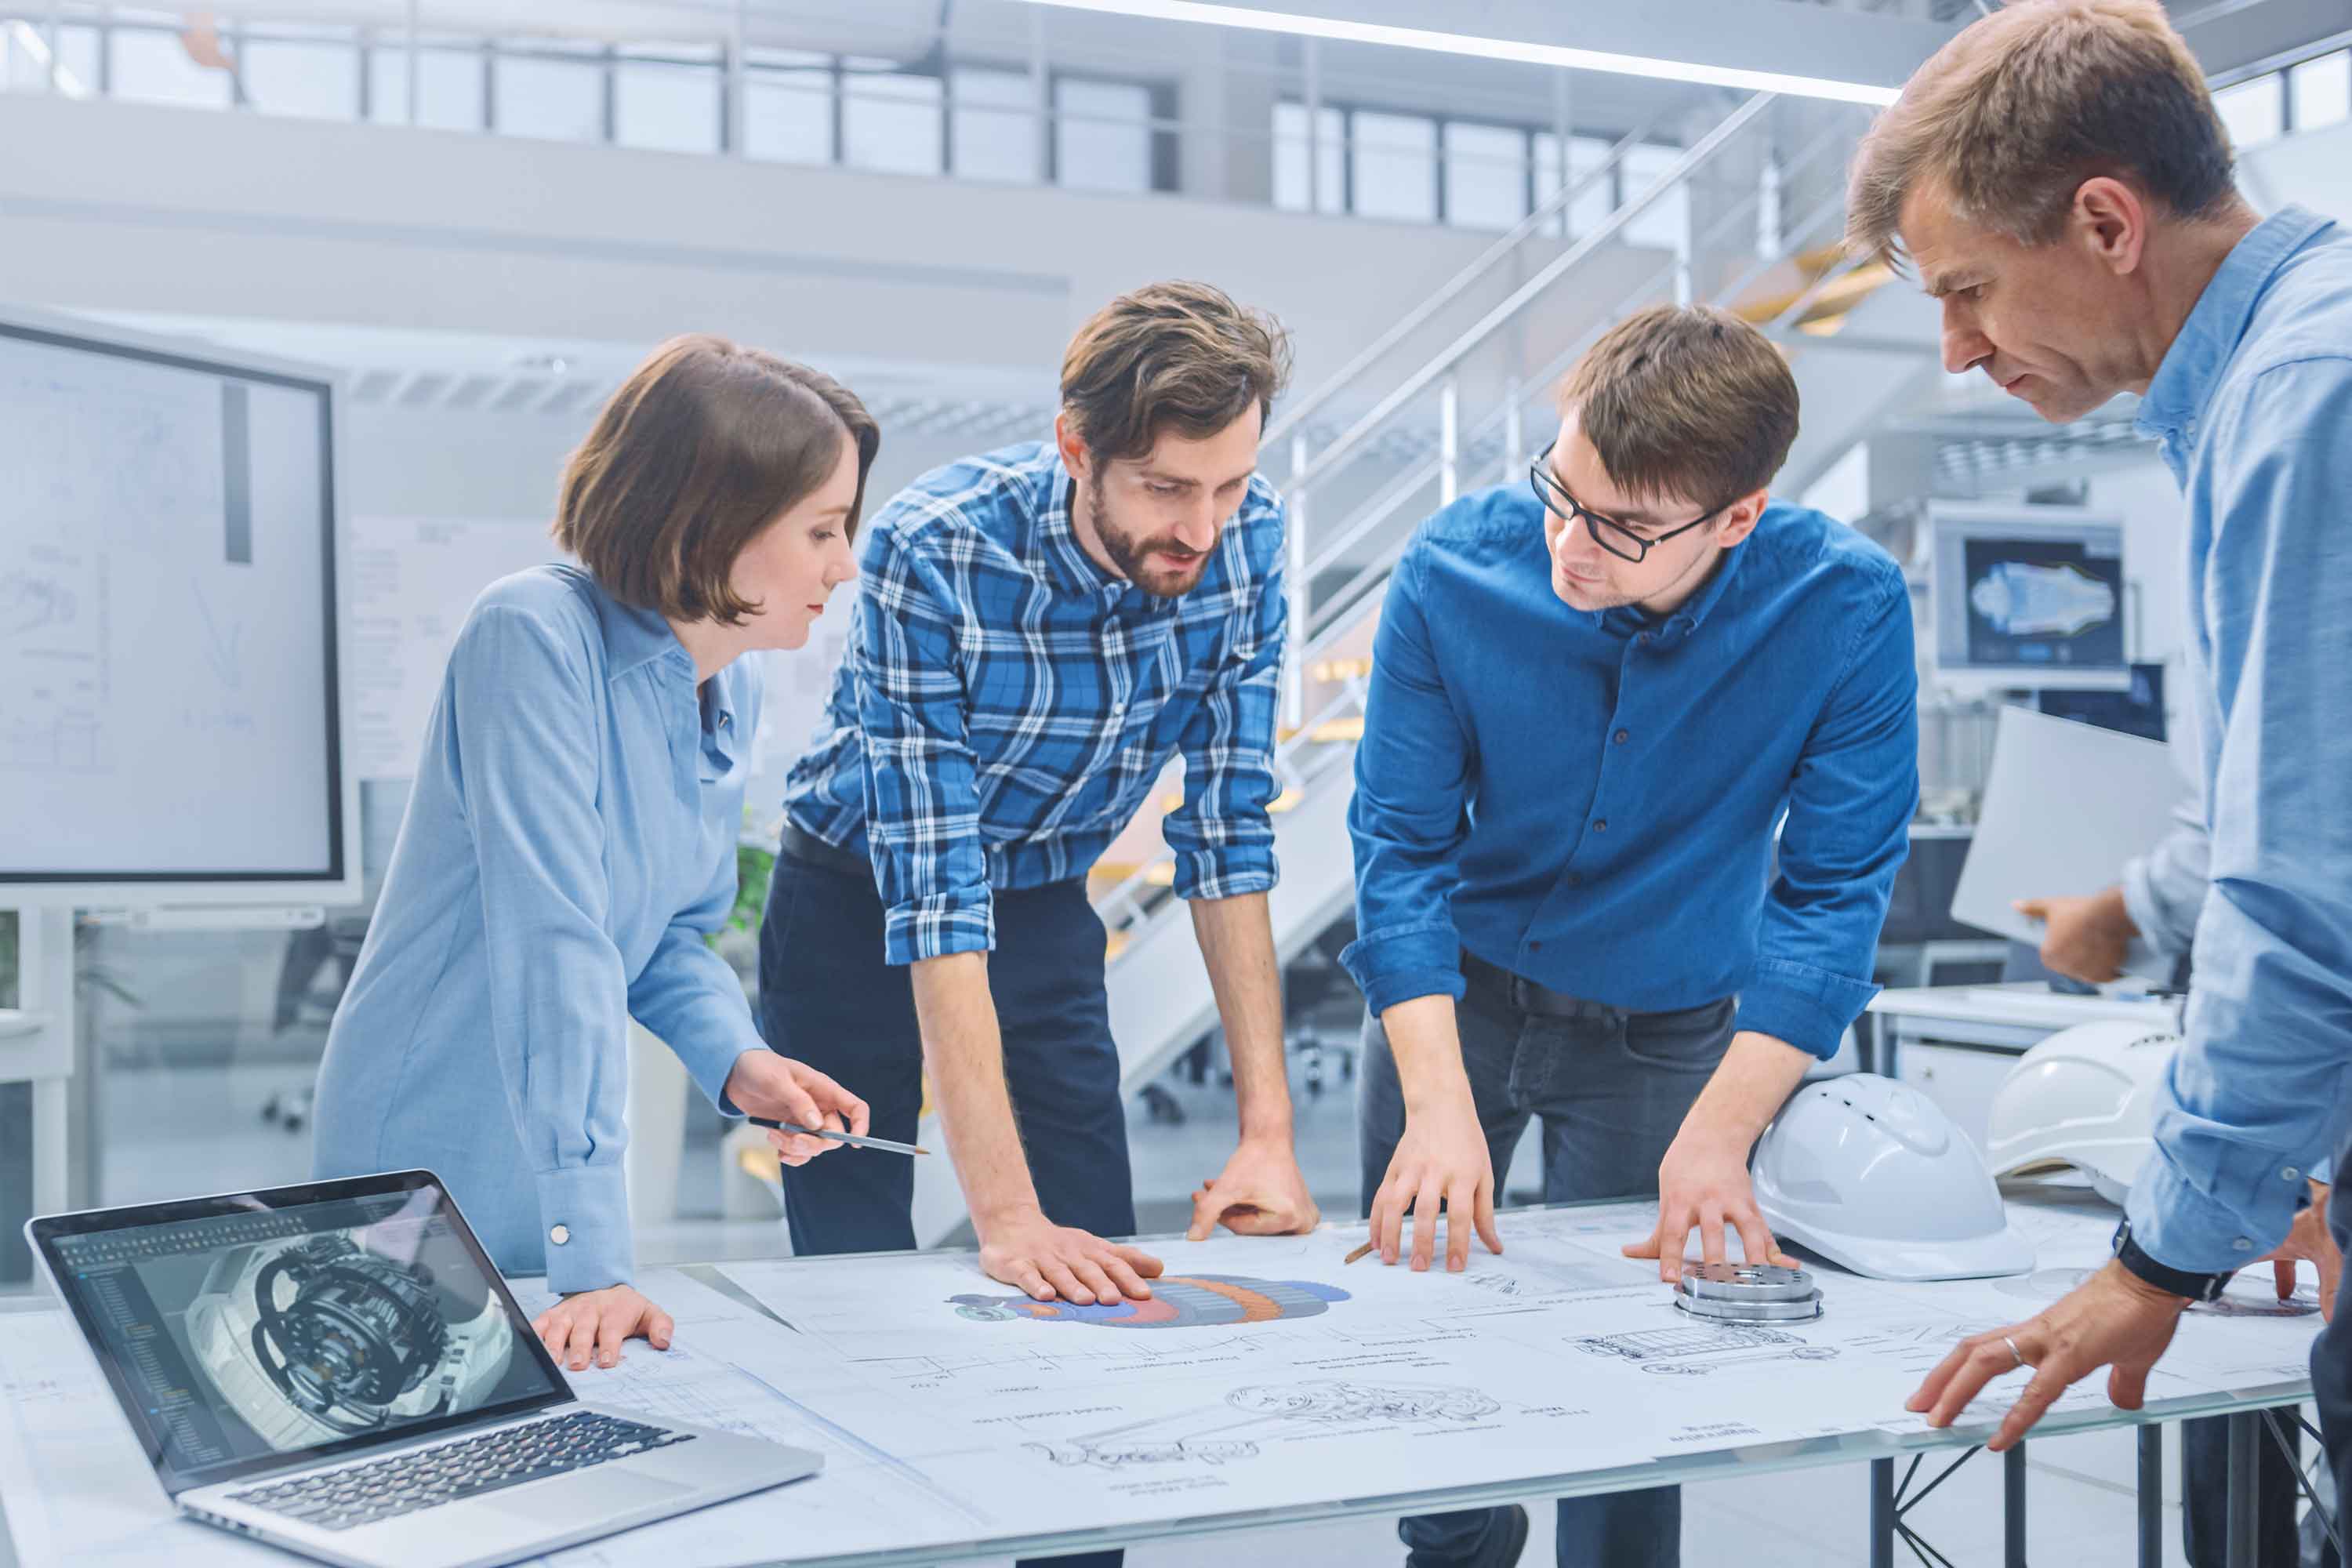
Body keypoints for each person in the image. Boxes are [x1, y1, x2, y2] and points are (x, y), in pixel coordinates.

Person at [1843, 0, 2352, 1490]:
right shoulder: (2301, 354)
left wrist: (2162, 1252)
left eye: (1970, 289)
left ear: (2108, 222)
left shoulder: (2300, 402)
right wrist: (2143, 909)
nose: (1955, 351)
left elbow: (2312, 892)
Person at [1345, 303, 1918, 1568]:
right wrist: (1438, 1106)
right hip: (1458, 1011)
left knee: (1639, 1372)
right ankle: (1455, 1549)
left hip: (1673, 1040)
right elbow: (1400, 853)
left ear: (1737, 517)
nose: (1572, 545)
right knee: (1429, 1346)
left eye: (1623, 529)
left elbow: (1832, 898)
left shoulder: (1846, 611)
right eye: (1563, 491)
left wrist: (1723, 1139)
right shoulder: (1456, 570)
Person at [314, 335, 879, 1371]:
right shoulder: (532, 635)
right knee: (414, 1417)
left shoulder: (726, 682)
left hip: (555, 1127)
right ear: (715, 521)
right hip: (431, 1134)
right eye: (823, 529)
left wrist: (738, 1061)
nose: (845, 563)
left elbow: (666, 937)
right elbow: (559, 941)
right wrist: (593, 1250)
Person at [761, 281, 1319, 1301]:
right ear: (1076, 448)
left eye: (1229, 484)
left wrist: (1269, 1138)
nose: (1202, 528)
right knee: (858, 1252)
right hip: (855, 891)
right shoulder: (936, 546)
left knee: (1095, 1233)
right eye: (1164, 488)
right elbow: (935, 887)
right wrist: (1005, 1220)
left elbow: (1228, 829)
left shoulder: (1250, 537)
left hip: (1043, 897)